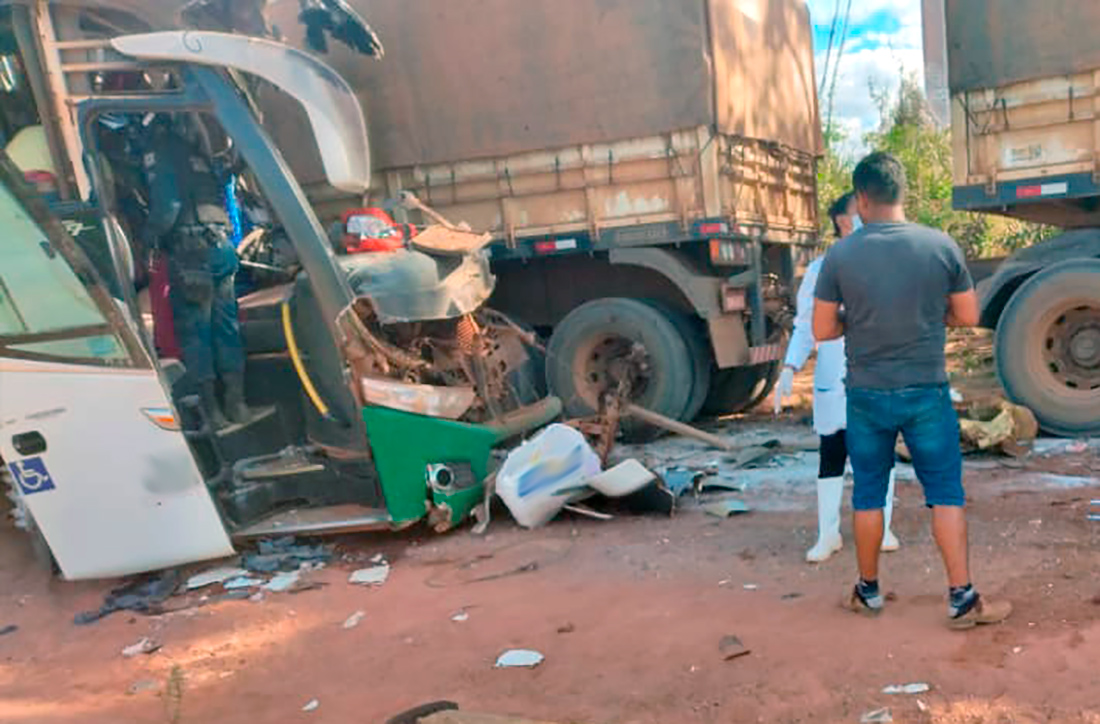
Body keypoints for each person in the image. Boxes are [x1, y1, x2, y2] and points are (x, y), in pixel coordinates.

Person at [812, 151, 1011, 629]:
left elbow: (822, 329)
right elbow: (967, 315)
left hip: (867, 394)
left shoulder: (841, 255)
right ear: (903, 193)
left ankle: (868, 592)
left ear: (861, 199)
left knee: (868, 494)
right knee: (945, 492)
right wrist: (927, 316)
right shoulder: (939, 246)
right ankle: (962, 599)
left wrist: (854, 318)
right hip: (926, 391)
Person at [774, 191, 899, 563]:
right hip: (835, 375)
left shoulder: (885, 265)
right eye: (856, 213)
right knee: (833, 452)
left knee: (879, 452)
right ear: (844, 222)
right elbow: (804, 326)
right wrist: (789, 366)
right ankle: (828, 533)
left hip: (877, 373)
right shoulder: (821, 269)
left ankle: (884, 526)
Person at [143, 114, 250, 428]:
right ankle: (238, 404)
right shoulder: (199, 154)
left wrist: (149, 239)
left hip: (191, 255)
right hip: (222, 249)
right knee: (226, 329)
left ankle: (213, 413)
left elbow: (168, 206)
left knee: (197, 334)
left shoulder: (161, 152)